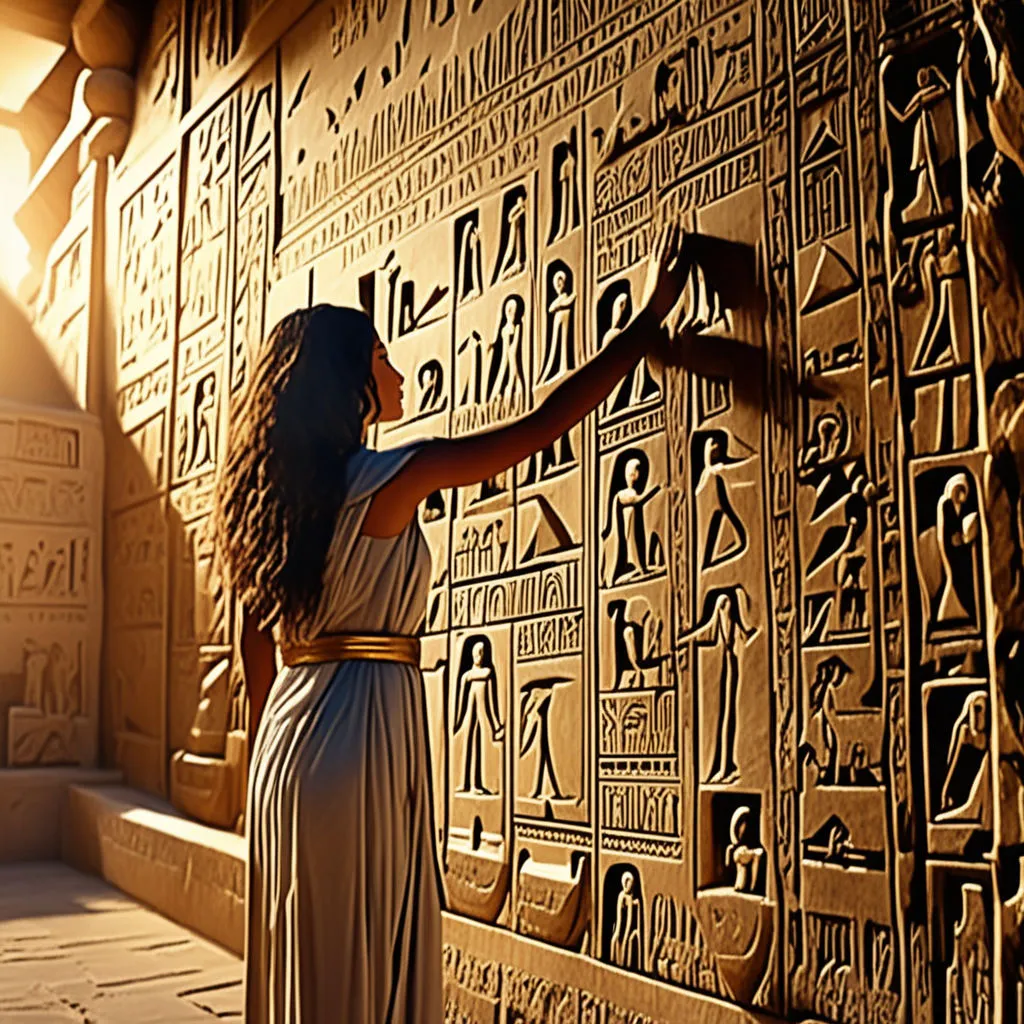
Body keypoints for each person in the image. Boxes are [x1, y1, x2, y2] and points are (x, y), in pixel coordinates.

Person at [213, 224, 741, 1023]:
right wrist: (644, 328)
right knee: (365, 969)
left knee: (311, 971)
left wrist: (278, 735)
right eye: (382, 357)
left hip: (289, 745)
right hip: (358, 734)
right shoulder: (390, 478)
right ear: (351, 380)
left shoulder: (278, 499)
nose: (395, 369)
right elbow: (541, 428)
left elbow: (254, 639)